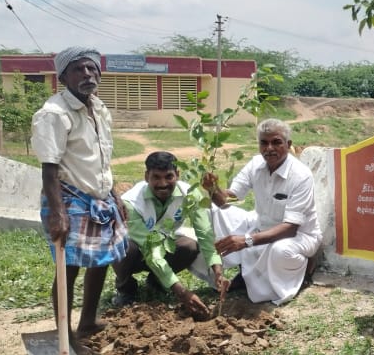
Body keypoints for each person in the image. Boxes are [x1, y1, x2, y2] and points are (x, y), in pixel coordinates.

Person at [31, 47, 128, 355]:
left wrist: (113, 193)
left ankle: (87, 321)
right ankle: (66, 336)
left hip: (98, 196)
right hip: (68, 197)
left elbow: (102, 158)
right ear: (63, 77)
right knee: (68, 268)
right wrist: (58, 213)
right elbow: (49, 167)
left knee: (100, 260)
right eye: (79, 70)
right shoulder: (53, 114)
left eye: (92, 69)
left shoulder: (98, 108)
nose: (88, 75)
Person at [201, 119, 322, 306]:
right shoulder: (255, 164)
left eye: (276, 142)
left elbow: (290, 228)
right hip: (262, 225)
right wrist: (213, 188)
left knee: (280, 251)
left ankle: (302, 270)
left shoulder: (300, 175)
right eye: (264, 143)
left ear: (288, 145)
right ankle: (246, 274)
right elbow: (227, 200)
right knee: (217, 213)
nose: (269, 148)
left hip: (299, 235)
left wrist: (247, 240)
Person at [112, 151, 229, 317]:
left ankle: (157, 282)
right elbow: (150, 250)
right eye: (156, 177)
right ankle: (126, 290)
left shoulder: (189, 194)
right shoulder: (131, 202)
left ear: (178, 175)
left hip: (165, 243)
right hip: (138, 250)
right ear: (146, 177)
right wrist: (182, 292)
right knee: (121, 247)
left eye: (169, 177)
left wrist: (217, 269)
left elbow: (205, 234)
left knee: (189, 246)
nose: (163, 183)